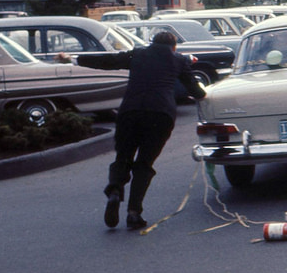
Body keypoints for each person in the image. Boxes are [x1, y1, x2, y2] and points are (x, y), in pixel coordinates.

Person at [67, 31, 207, 230]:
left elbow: (108, 61)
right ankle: (134, 213)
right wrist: (203, 92)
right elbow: (195, 91)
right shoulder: (178, 60)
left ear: (152, 44)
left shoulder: (138, 54)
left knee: (123, 157)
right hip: (160, 115)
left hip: (129, 112)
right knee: (144, 163)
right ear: (174, 46)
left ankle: (115, 191)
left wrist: (76, 59)